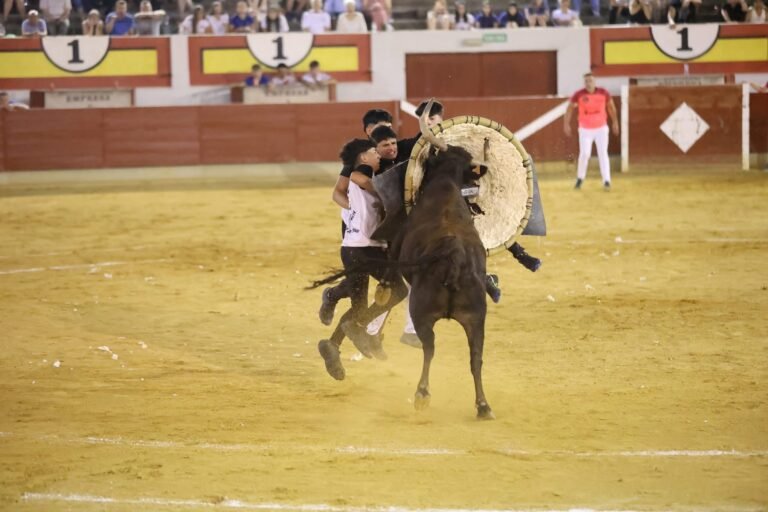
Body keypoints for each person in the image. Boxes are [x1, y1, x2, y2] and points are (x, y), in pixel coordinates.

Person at [317, 139, 410, 378]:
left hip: (354, 248)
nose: (377, 154)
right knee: (399, 289)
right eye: (372, 151)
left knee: (358, 307)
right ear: (362, 157)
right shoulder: (361, 173)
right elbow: (364, 181)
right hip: (365, 249)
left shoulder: (366, 175)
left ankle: (332, 345)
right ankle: (358, 326)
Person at [564, 72, 619, 191]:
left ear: (595, 82)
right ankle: (580, 178)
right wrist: (566, 123)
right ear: (584, 83)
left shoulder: (604, 93)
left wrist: (615, 122)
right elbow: (569, 108)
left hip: (601, 128)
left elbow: (611, 107)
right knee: (585, 154)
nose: (588, 83)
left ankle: (607, 180)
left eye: (590, 81)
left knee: (603, 153)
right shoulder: (579, 94)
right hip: (585, 129)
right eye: (586, 81)